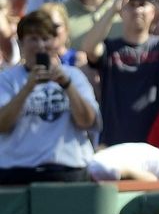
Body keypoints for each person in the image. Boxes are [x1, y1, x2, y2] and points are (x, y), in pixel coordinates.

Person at [80, 0, 159, 145]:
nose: (137, 10)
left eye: (143, 5)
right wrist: (114, 7)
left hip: (156, 141)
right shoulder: (110, 48)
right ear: (122, 12)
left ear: (153, 11)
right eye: (131, 5)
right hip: (115, 139)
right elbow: (88, 48)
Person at [0, 10, 99, 185]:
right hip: (18, 172)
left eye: (46, 38)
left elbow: (87, 122)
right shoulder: (7, 79)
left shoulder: (74, 77)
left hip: (67, 171)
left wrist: (67, 84)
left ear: (55, 42)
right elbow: (2, 124)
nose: (40, 45)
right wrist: (27, 88)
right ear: (21, 43)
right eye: (33, 38)